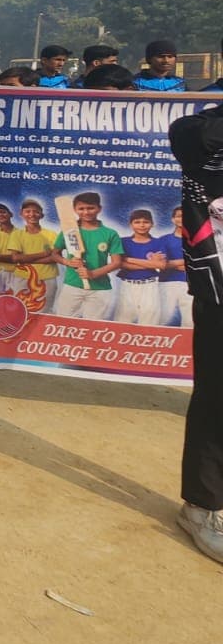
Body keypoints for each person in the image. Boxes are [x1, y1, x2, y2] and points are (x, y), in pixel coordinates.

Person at [166, 99, 223, 561]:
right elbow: (193, 141)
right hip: (220, 283)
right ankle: (202, 505)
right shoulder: (200, 126)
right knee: (218, 393)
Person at [50, 192, 123, 318]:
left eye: (90, 208)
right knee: (64, 323)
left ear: (99, 209)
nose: (86, 212)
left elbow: (117, 262)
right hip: (73, 285)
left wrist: (93, 274)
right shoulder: (69, 231)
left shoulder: (110, 233)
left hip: (100, 288)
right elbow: (54, 254)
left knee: (92, 326)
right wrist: (68, 262)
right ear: (74, 210)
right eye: (81, 208)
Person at [114, 209, 181, 326]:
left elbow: (161, 265)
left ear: (152, 224)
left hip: (149, 285)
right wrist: (150, 264)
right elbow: (119, 264)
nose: (142, 225)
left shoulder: (158, 242)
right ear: (130, 224)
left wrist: (129, 259)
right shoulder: (123, 242)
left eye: (145, 222)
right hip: (127, 285)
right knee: (123, 318)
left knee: (150, 317)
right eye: (137, 222)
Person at [4, 200, 60, 315]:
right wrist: (44, 254)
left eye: (36, 211)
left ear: (42, 215)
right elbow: (15, 258)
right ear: (21, 213)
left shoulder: (51, 234)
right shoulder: (17, 234)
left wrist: (26, 259)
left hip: (47, 278)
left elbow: (55, 257)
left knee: (45, 309)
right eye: (28, 211)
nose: (32, 214)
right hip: (22, 277)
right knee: (18, 310)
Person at [164, 205, 195, 327]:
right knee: (163, 318)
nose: (183, 219)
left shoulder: (199, 240)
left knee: (189, 321)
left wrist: (171, 264)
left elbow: (200, 261)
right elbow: (160, 264)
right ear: (173, 219)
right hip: (166, 283)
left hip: (191, 283)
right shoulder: (163, 240)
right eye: (179, 216)